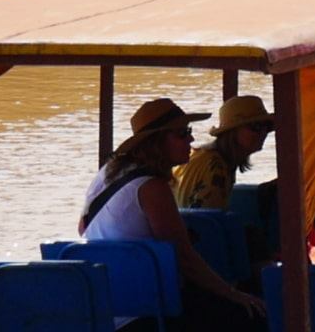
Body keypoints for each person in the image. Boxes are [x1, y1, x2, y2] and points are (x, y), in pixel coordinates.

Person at [80, 98, 263, 329]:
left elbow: (83, 227)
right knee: (252, 314)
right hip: (142, 313)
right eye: (182, 133)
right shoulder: (152, 187)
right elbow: (184, 258)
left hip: (104, 306)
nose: (191, 139)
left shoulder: (108, 172)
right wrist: (234, 294)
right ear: (157, 141)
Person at [174, 95, 276, 211]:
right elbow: (209, 219)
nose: (263, 133)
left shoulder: (206, 156)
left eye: (266, 127)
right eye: (255, 127)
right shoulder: (216, 167)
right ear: (232, 131)